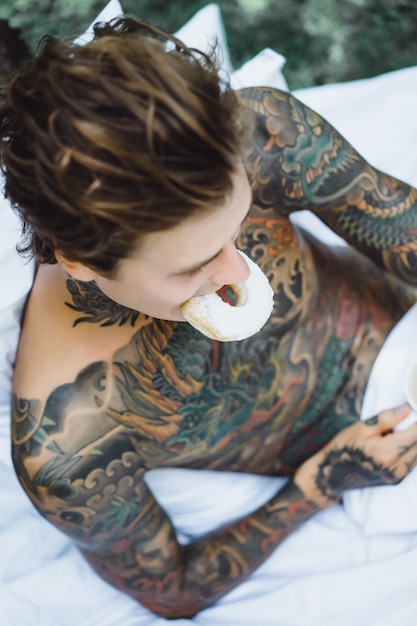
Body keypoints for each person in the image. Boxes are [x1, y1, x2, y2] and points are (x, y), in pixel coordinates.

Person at [1, 16, 417, 620]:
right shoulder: (69, 443)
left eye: (236, 227)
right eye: (192, 266)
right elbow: (172, 589)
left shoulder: (264, 138)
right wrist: (319, 486)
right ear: (83, 261)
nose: (240, 272)